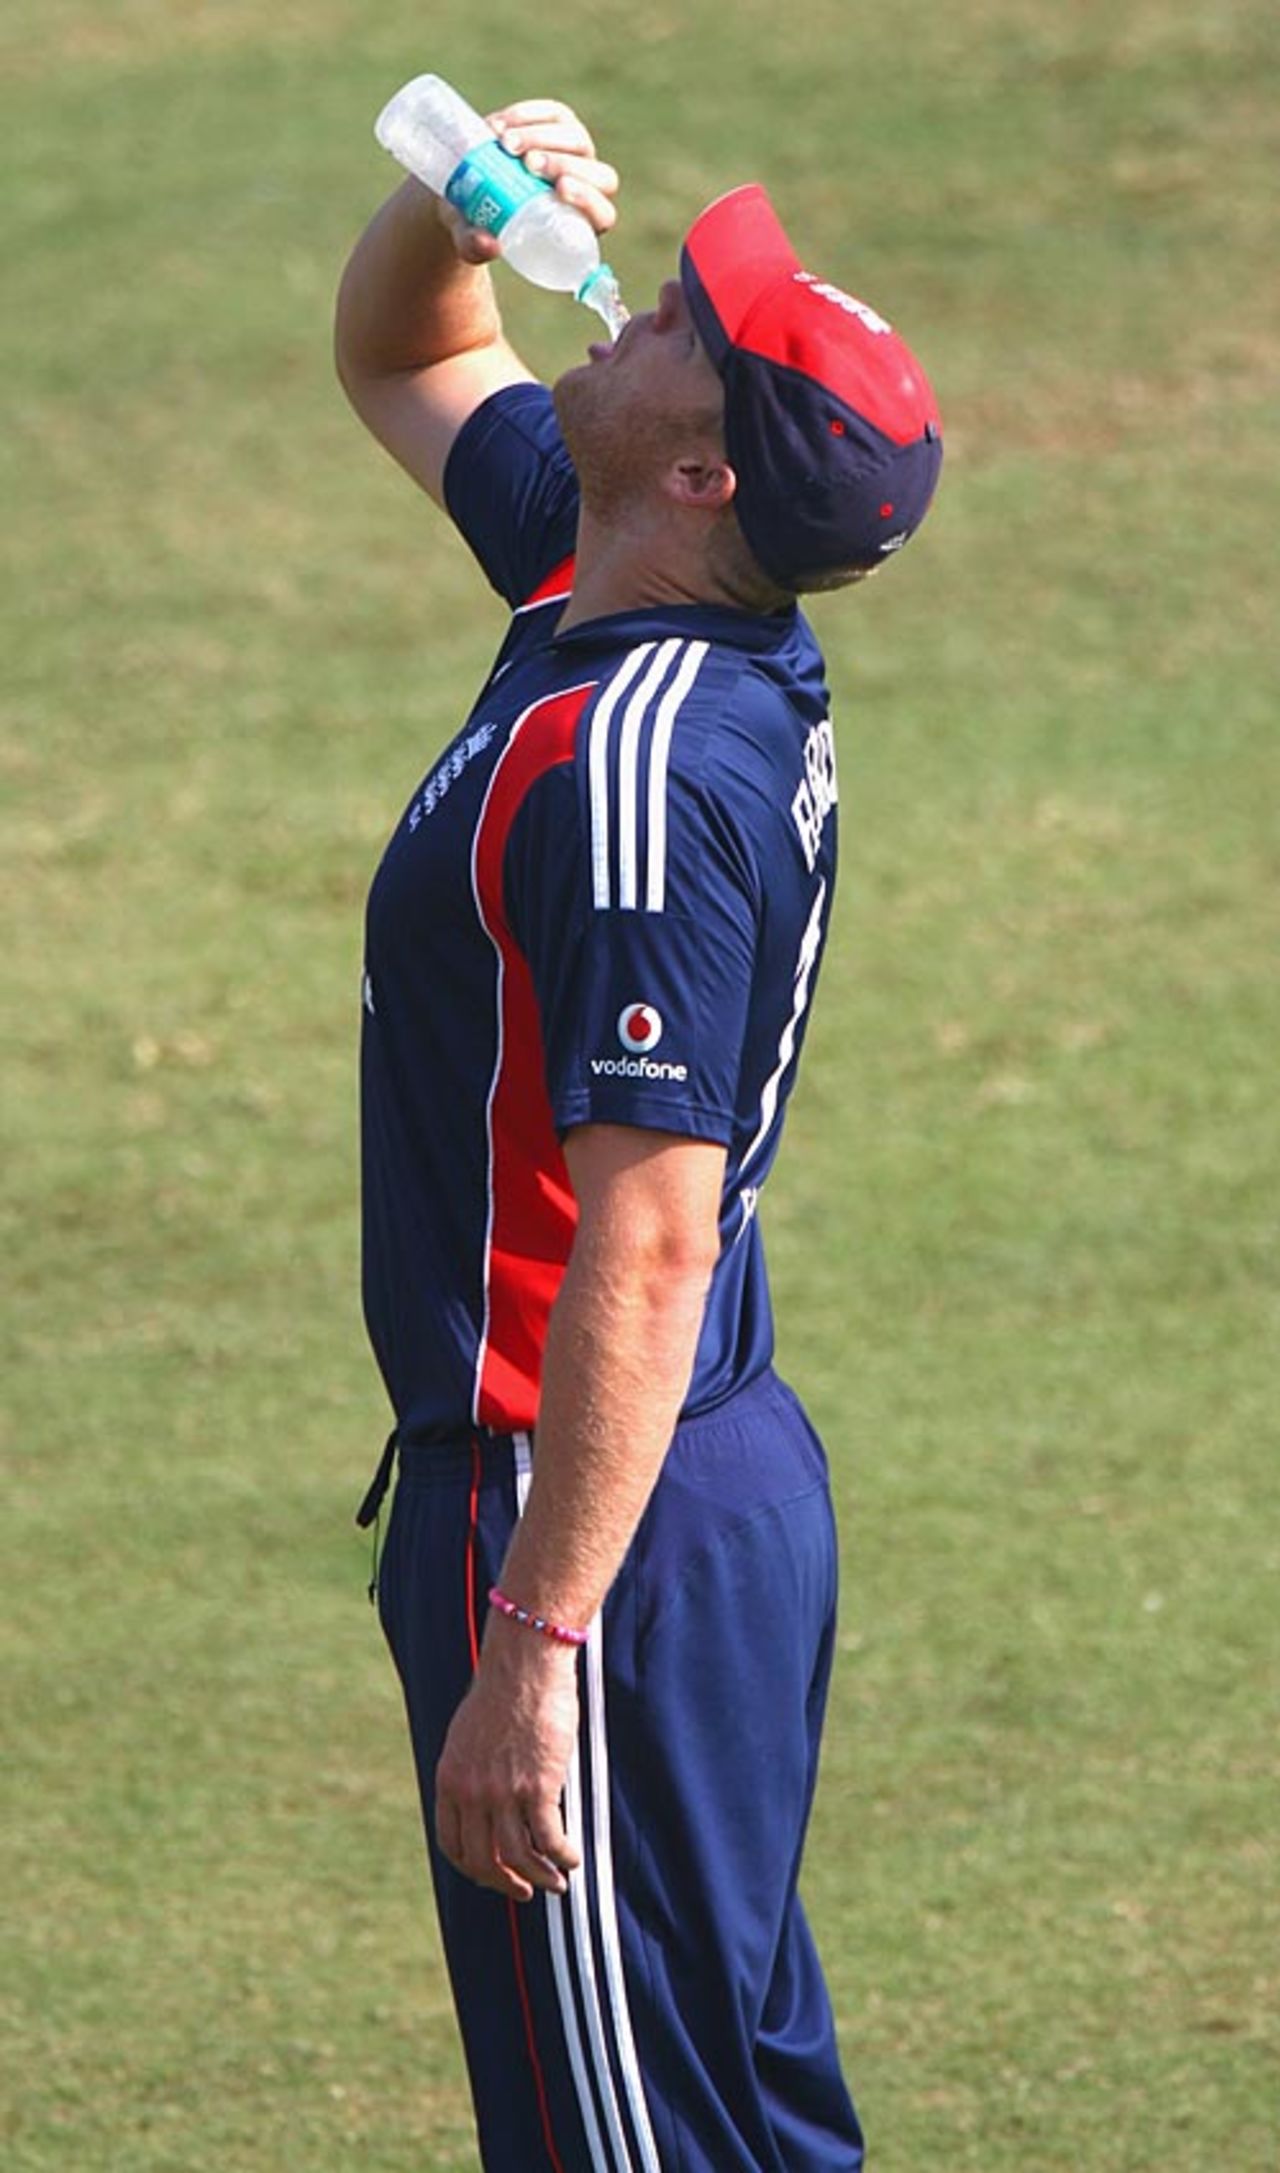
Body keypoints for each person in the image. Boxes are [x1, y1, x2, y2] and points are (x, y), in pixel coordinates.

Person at [335, 91, 941, 2173]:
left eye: (689, 318)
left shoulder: (636, 775)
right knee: (728, 2115)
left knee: (638, 2148)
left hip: (590, 1510)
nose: (653, 287)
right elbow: (408, 355)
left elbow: (651, 1241)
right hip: (677, 1491)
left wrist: (536, 1650)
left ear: (698, 472)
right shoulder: (604, 575)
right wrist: (443, 211)